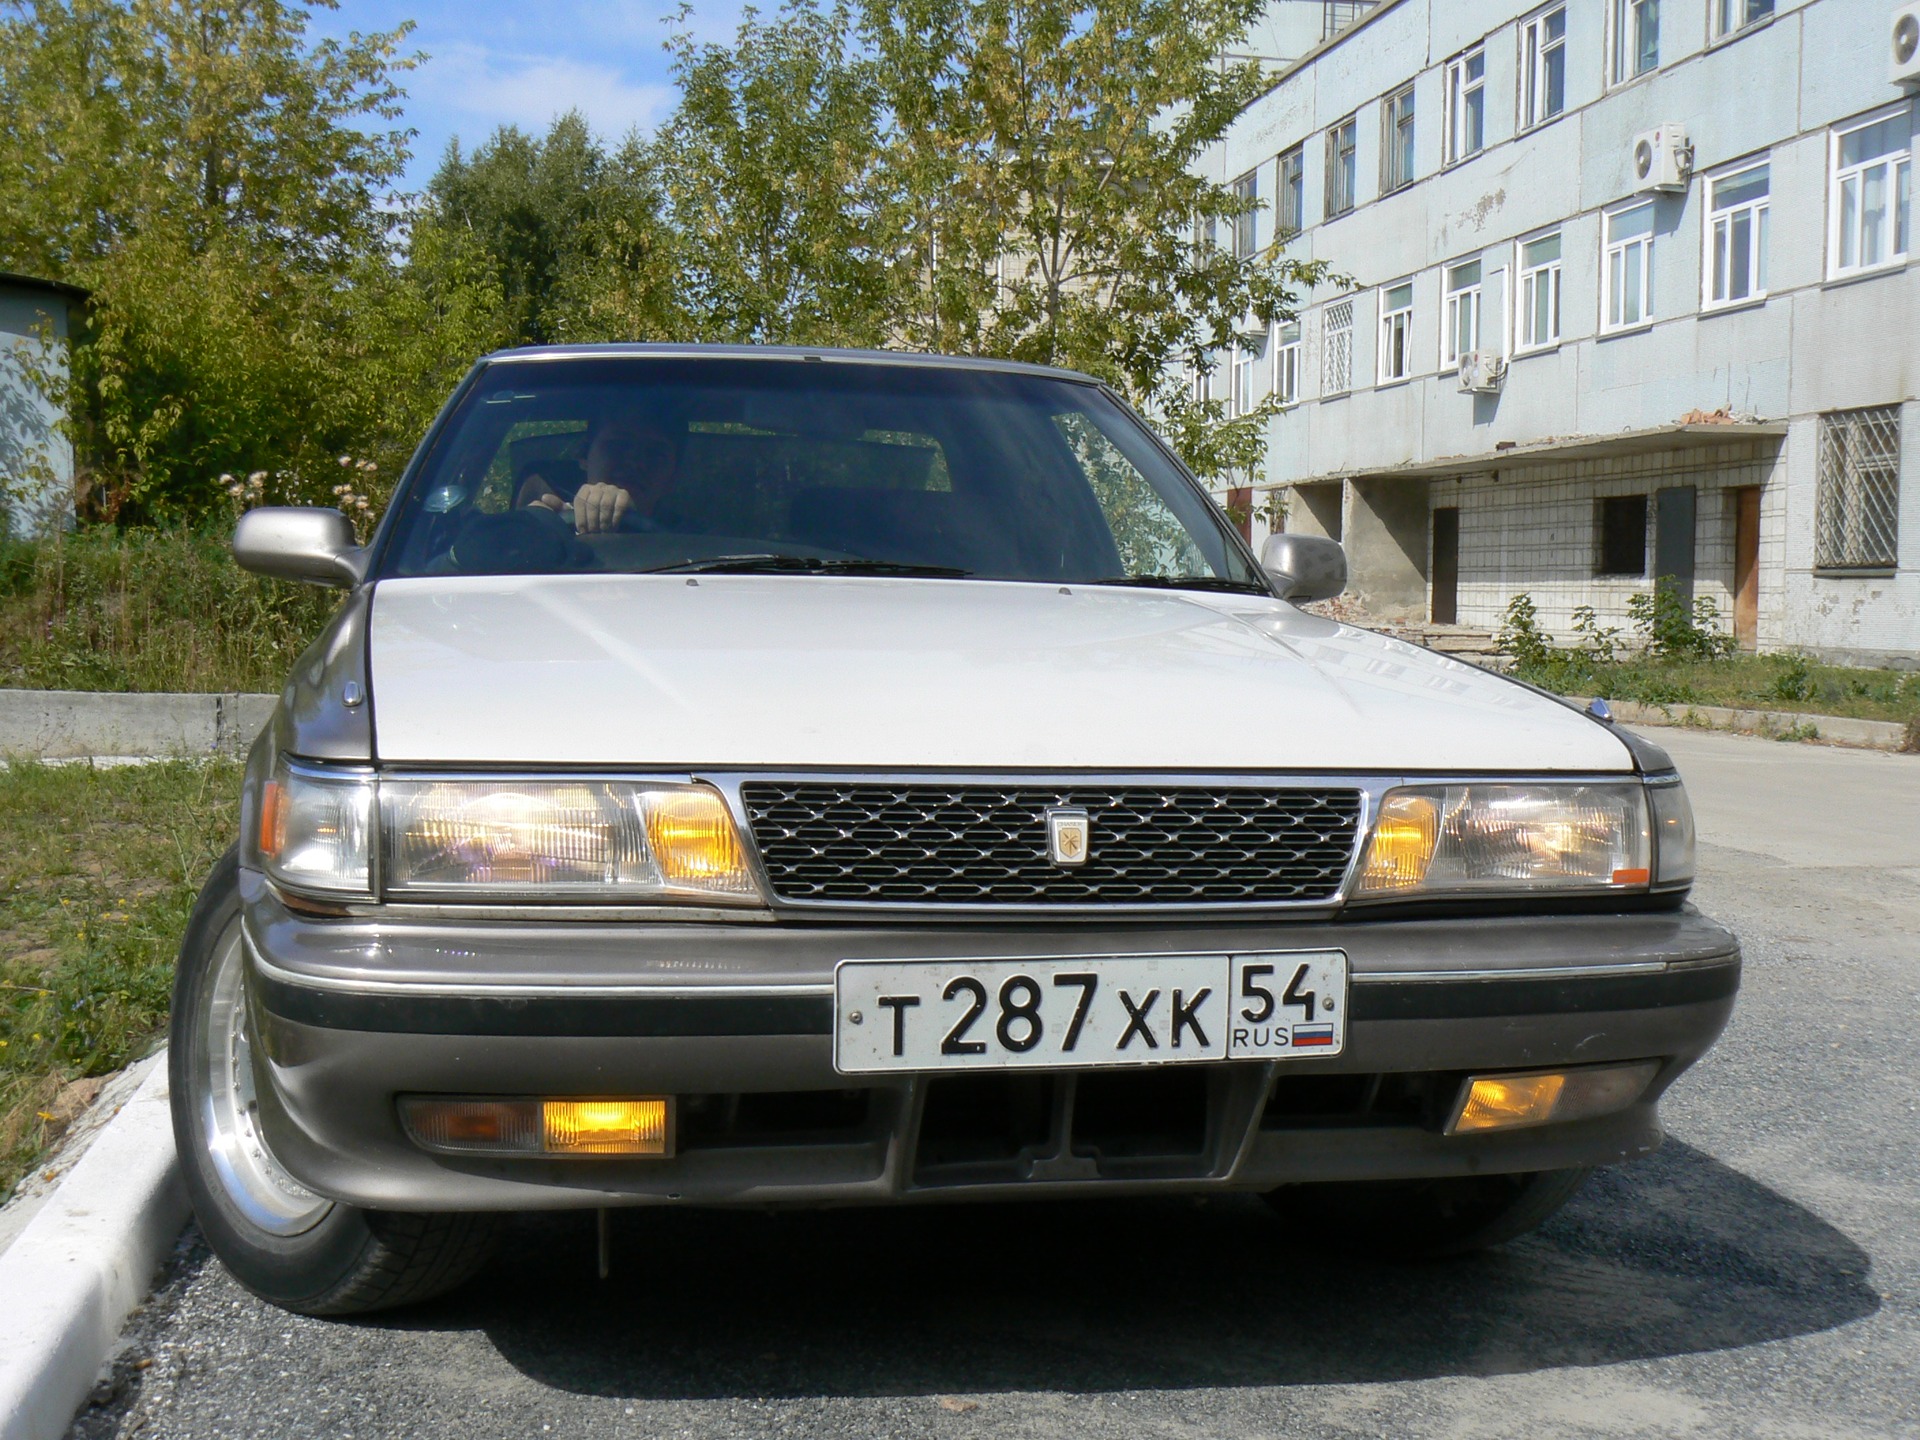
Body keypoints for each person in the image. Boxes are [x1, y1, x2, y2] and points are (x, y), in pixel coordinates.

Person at [516, 413, 680, 533]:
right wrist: (529, 533)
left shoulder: (696, 549)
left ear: (673, 477)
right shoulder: (554, 526)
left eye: (655, 453)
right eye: (618, 445)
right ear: (584, 456)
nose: (634, 462)